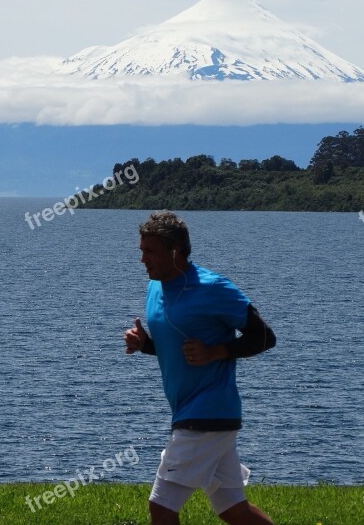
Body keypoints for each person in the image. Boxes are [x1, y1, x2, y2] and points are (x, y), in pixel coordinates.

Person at [124, 211, 276, 525]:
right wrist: (145, 343)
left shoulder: (212, 288)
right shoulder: (157, 287)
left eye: (150, 251)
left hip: (205, 415)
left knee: (162, 507)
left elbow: (264, 336)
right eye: (142, 250)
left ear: (175, 250)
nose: (142, 259)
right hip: (199, 415)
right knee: (233, 509)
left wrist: (216, 351)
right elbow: (175, 347)